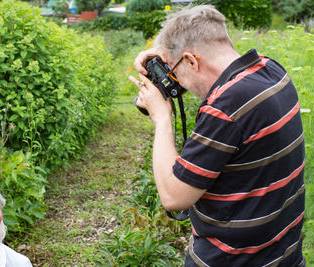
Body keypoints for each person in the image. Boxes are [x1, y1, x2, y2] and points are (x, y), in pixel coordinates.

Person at [129, 5, 305, 266]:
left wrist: (162, 117)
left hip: (233, 259)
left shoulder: (224, 108)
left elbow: (175, 197)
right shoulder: (272, 71)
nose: (177, 81)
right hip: (283, 255)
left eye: (175, 72)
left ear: (191, 60)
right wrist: (167, 55)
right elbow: (207, 68)